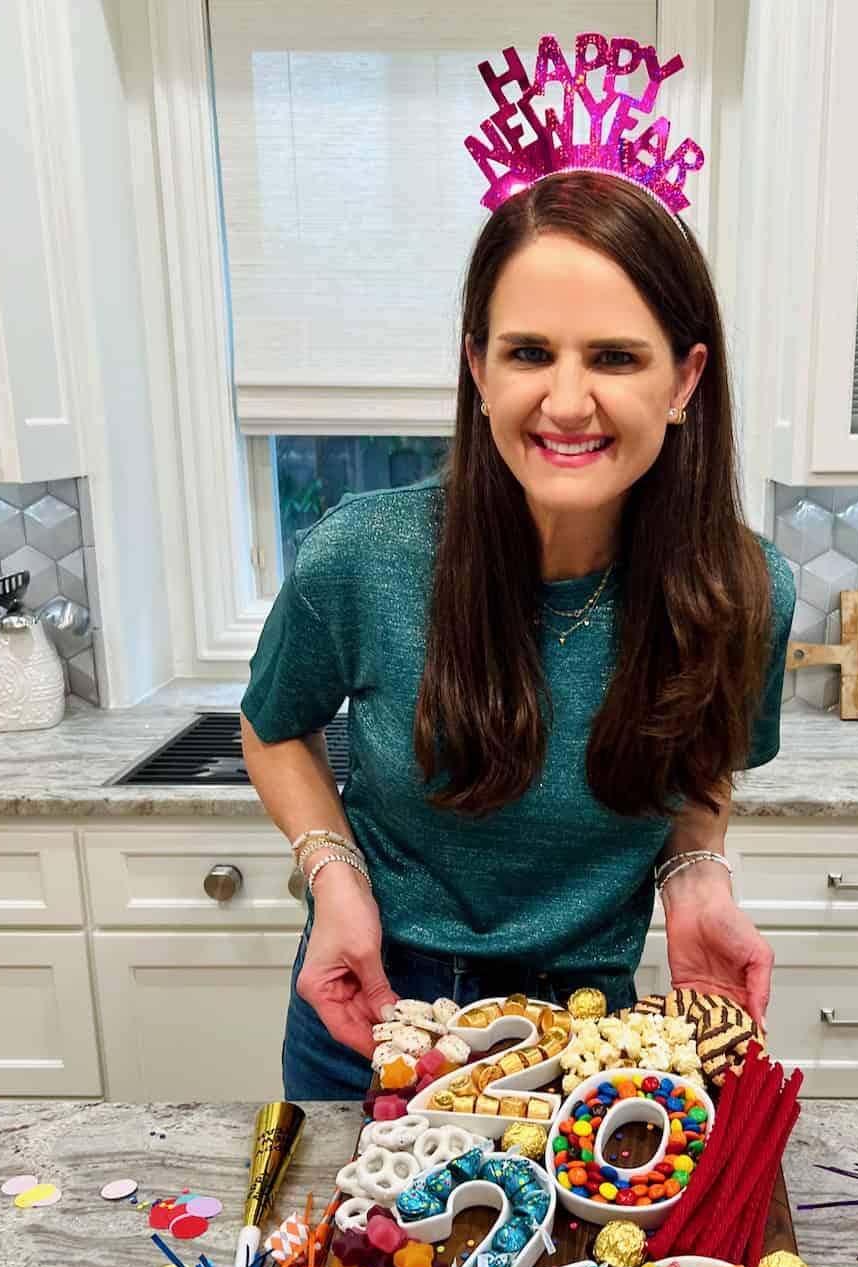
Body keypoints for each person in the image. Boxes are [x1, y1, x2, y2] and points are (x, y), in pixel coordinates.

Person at [241, 162, 795, 1103]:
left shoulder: (743, 591)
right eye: (529, 352)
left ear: (684, 378)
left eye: (615, 357)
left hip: (591, 1036)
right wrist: (334, 876)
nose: (567, 402)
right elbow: (273, 725)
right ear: (478, 367)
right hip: (376, 1013)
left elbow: (702, 767)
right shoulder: (364, 554)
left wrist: (697, 879)